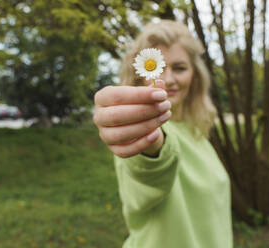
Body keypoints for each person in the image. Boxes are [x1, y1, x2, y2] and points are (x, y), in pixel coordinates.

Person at [93, 20, 233, 248]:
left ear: (195, 75)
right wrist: (149, 141)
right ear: (140, 75)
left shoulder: (196, 132)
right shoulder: (145, 132)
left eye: (179, 68)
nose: (168, 79)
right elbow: (150, 168)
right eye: (156, 68)